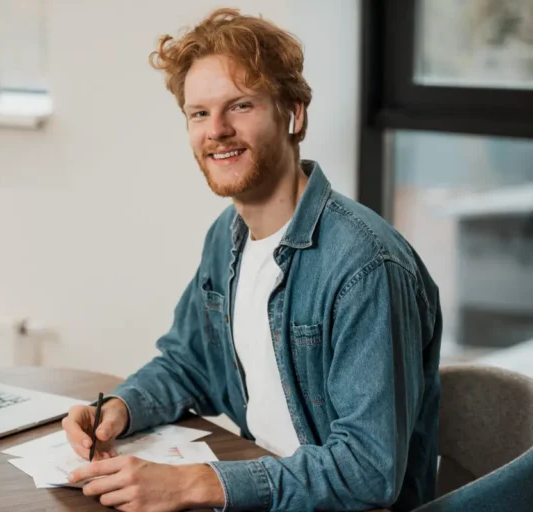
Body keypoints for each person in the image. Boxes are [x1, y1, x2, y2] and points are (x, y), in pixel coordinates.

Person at [62, 8, 442, 512]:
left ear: (294, 113)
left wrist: (195, 484)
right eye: (199, 113)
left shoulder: (366, 266)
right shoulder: (229, 235)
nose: (216, 130)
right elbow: (189, 361)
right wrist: (121, 408)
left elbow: (368, 471)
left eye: (240, 106)